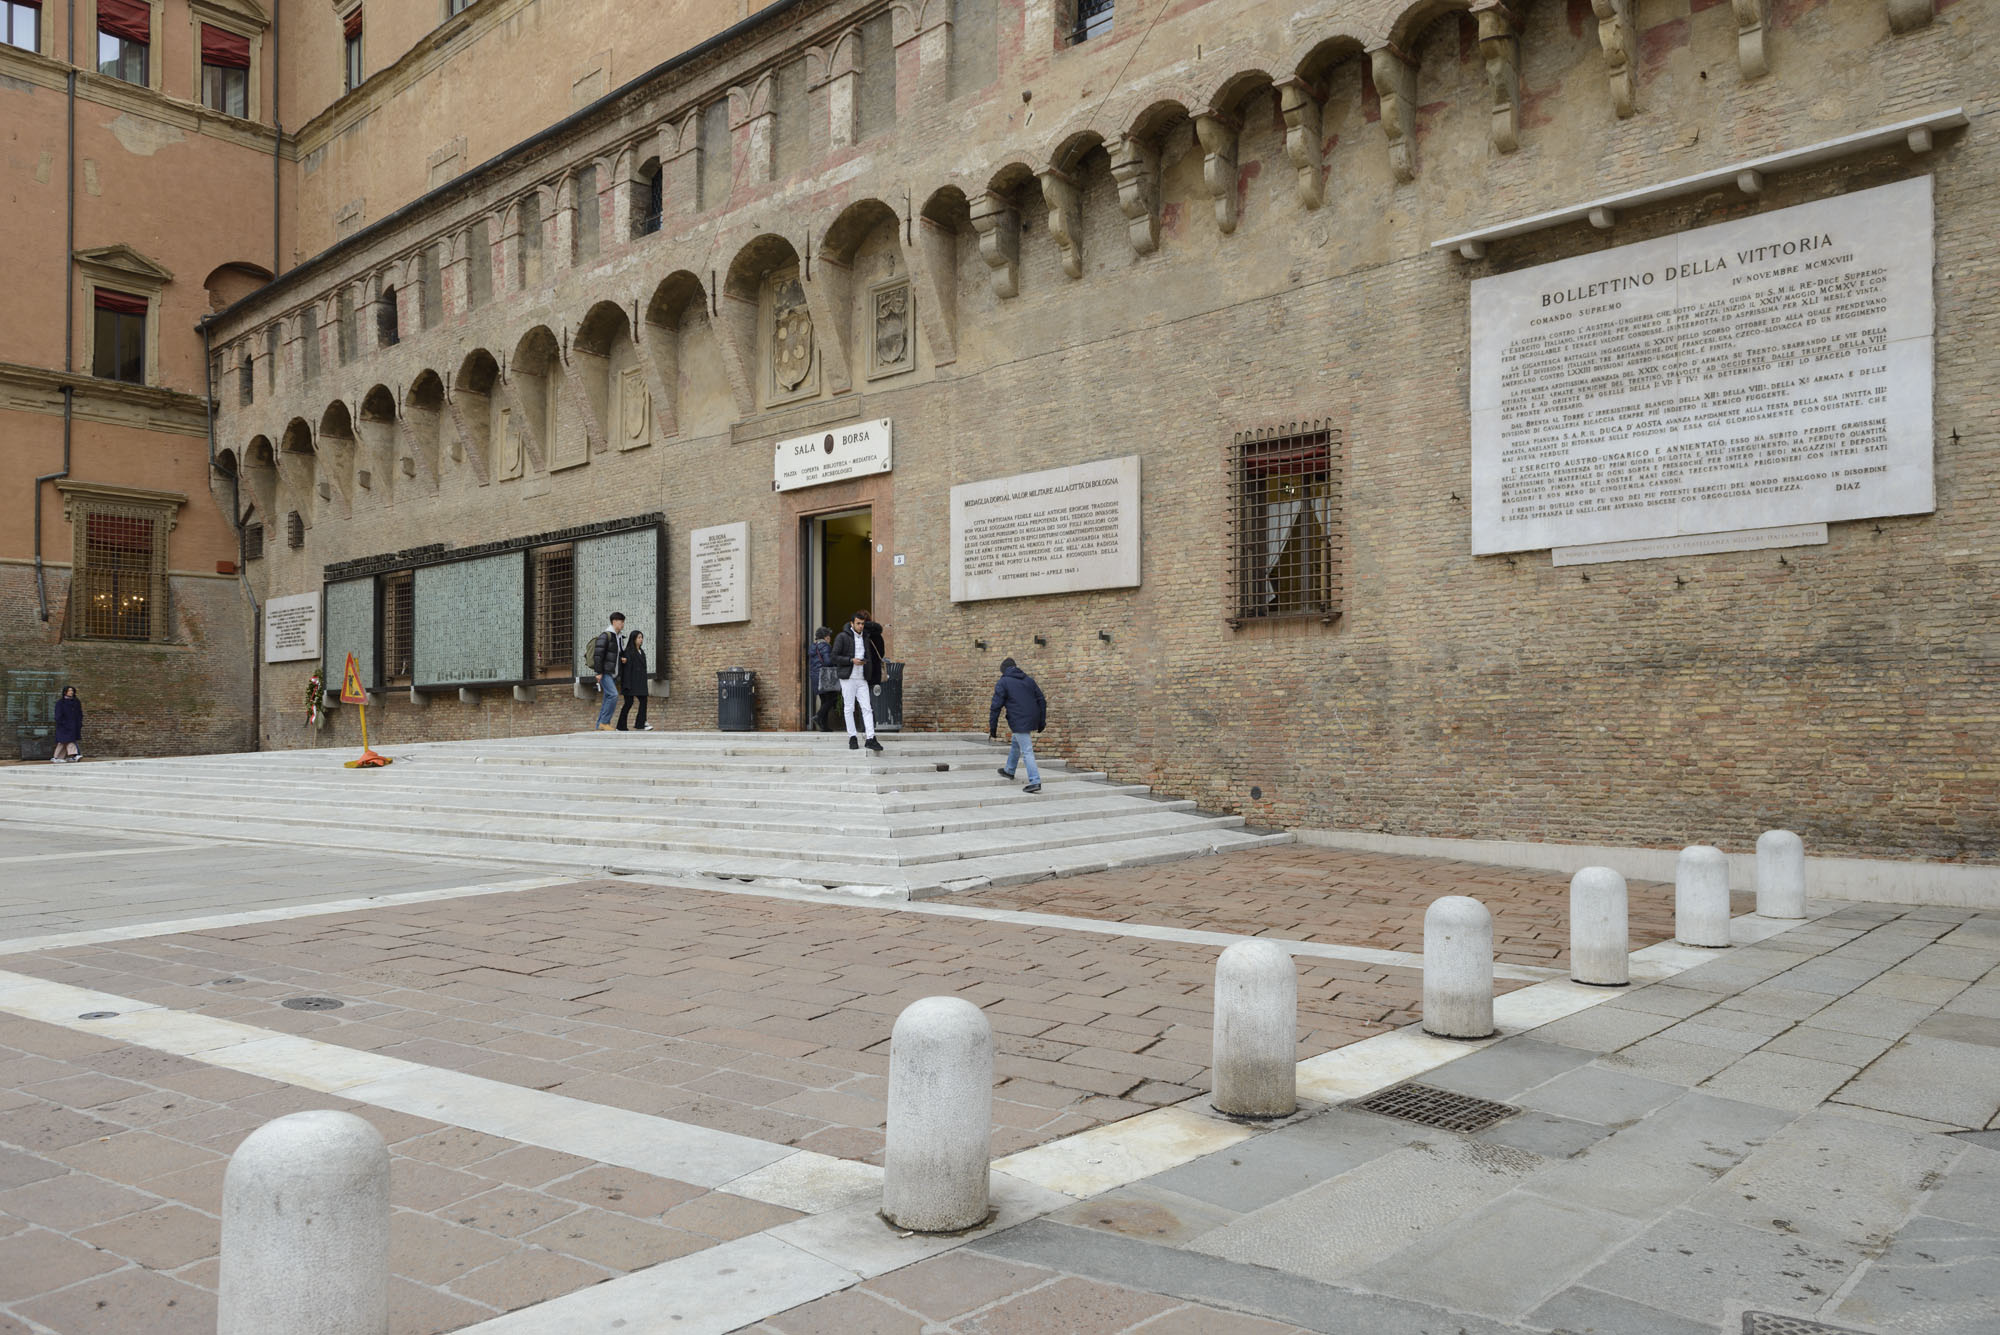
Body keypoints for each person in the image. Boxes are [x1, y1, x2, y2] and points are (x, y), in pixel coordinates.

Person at [988, 658, 1047, 793]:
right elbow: (1042, 701)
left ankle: (1035, 781)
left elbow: (995, 706)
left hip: (1019, 719)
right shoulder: (1028, 680)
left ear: (1003, 670)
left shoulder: (1003, 682)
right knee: (1016, 742)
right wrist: (1041, 720)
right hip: (1031, 717)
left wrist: (993, 727)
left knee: (1027, 750)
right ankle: (1009, 770)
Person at [830, 609, 884, 752]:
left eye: (862, 624)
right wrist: (850, 660)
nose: (860, 626)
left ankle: (870, 738)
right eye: (858, 623)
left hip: (862, 678)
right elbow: (834, 657)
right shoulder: (842, 637)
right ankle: (852, 737)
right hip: (848, 678)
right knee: (849, 708)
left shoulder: (866, 637)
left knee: (867, 708)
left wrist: (867, 665)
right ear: (852, 623)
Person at [588, 612, 625, 731]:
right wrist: (598, 672)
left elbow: (614, 655)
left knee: (607, 698)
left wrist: (621, 659)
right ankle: (604, 722)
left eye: (623, 622)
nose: (623, 624)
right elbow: (598, 655)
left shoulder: (619, 637)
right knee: (613, 695)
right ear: (614, 622)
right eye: (621, 621)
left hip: (612, 673)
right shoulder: (606, 635)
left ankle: (600, 725)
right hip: (605, 672)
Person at [617, 629, 653, 731]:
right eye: (639, 637)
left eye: (642, 637)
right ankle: (620, 726)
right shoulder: (628, 652)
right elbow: (626, 669)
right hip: (630, 683)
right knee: (628, 703)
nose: (641, 640)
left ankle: (640, 723)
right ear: (633, 639)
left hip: (640, 683)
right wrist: (626, 685)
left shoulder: (642, 652)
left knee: (643, 700)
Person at [807, 627, 839, 732]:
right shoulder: (825, 646)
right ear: (826, 637)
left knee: (824, 700)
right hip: (825, 676)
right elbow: (828, 662)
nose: (830, 638)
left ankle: (824, 726)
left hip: (815, 676)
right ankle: (818, 716)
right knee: (832, 698)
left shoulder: (813, 646)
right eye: (829, 636)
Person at [51, 686, 82, 763]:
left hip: (74, 725)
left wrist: (79, 722)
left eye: (72, 690)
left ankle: (57, 757)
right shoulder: (60, 703)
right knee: (70, 740)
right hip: (64, 726)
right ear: (65, 692)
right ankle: (75, 755)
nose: (71, 692)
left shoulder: (76, 701)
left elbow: (79, 713)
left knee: (63, 742)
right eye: (69, 691)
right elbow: (58, 715)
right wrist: (63, 723)